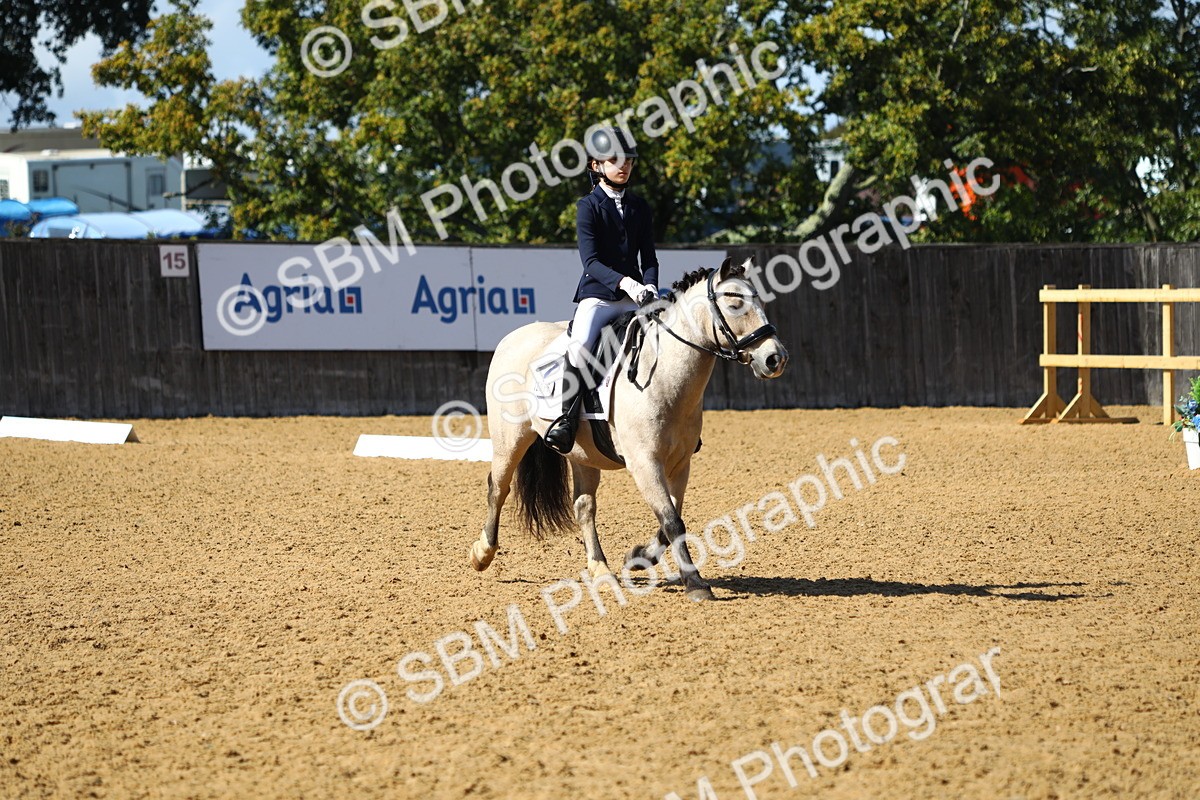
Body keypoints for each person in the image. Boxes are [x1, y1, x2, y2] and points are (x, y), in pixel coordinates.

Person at [543, 127, 660, 454]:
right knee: (580, 345)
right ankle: (565, 420)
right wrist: (627, 284)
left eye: (628, 160)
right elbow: (591, 261)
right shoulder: (588, 206)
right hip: (599, 295)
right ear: (596, 166)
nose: (623, 166)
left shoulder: (640, 207)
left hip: (638, 296)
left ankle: (675, 420)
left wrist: (650, 284)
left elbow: (649, 257)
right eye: (614, 160)